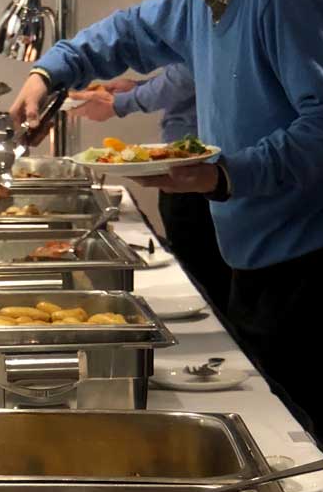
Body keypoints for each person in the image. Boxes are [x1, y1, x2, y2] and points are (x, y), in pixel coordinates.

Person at [9, 0, 323, 460]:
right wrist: (48, 72)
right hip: (262, 239)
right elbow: (126, 34)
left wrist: (225, 177)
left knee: (313, 447)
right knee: (269, 433)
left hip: (321, 252)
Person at [69, 65, 232, 314]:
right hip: (188, 162)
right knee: (201, 267)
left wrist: (122, 102)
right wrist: (139, 88)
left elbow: (189, 73)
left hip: (200, 166)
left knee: (209, 277)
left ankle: (228, 337)